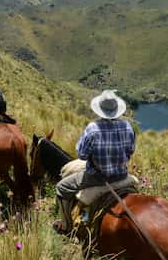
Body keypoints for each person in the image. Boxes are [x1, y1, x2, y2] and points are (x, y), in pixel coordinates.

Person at [53, 90, 135, 233]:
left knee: (61, 187)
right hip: (122, 175)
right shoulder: (127, 126)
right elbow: (130, 151)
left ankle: (66, 226)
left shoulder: (92, 128)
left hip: (96, 177)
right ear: (117, 110)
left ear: (100, 109)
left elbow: (82, 154)